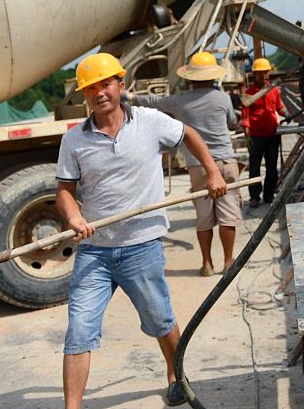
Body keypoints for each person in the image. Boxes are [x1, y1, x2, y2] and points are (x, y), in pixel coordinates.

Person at [56, 52, 229, 408]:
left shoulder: (151, 121)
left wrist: (211, 171)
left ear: (121, 85)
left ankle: (175, 375)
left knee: (160, 319)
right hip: (95, 252)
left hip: (141, 246)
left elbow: (189, 135)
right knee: (79, 331)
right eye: (91, 88)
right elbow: (65, 192)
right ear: (84, 96)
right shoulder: (74, 140)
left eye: (106, 84)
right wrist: (74, 218)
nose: (99, 93)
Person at [130, 50, 243, 277]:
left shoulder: (179, 101)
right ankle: (229, 262)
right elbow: (232, 122)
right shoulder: (222, 97)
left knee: (204, 216)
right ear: (213, 75)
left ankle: (207, 263)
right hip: (226, 162)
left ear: (190, 77)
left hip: (198, 165)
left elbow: (153, 102)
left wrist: (130, 97)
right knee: (228, 215)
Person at [240, 57, 285, 208]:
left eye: (265, 72)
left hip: (272, 134)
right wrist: (247, 134)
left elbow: (280, 108)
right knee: (255, 167)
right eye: (260, 73)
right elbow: (245, 115)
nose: (263, 75)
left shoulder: (274, 90)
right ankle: (254, 197)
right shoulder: (249, 93)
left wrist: (290, 113)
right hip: (256, 135)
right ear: (255, 74)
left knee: (272, 166)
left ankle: (269, 195)